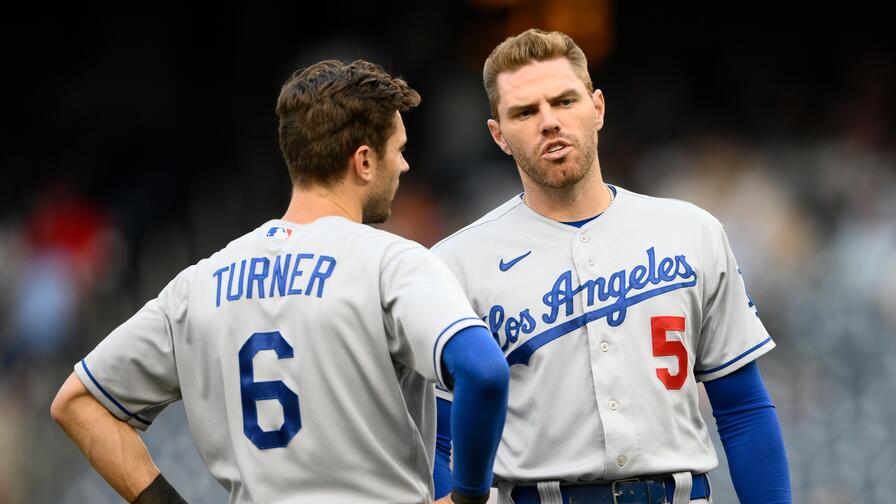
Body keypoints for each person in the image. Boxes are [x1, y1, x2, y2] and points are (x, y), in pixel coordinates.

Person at [51, 59, 509, 504]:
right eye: (399, 149)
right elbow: (483, 370)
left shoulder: (199, 282)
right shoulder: (391, 261)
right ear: (364, 161)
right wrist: (467, 497)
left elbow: (76, 403)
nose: (405, 166)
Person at [431, 29, 791, 504]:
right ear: (499, 134)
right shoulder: (454, 263)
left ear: (597, 108)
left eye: (564, 101)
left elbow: (743, 408)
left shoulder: (690, 230)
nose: (549, 122)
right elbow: (437, 441)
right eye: (525, 112)